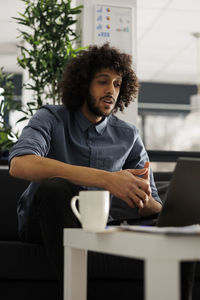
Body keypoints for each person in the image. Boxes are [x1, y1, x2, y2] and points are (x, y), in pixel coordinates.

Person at [9, 43, 193, 300]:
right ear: (83, 84)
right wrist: (107, 179)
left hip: (104, 228)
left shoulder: (128, 135)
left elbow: (155, 205)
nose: (111, 90)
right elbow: (20, 164)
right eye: (102, 81)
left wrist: (140, 198)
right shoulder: (50, 118)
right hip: (44, 224)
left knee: (181, 226)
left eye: (117, 84)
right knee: (55, 187)